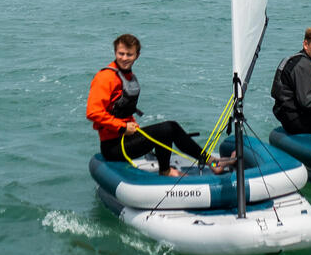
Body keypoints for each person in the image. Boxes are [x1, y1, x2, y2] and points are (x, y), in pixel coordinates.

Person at [87, 34, 235, 175]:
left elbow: (122, 110)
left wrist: (130, 125)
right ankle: (176, 169)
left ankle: (208, 162)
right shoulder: (105, 77)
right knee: (167, 129)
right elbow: (93, 113)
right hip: (113, 147)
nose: (124, 58)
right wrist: (122, 127)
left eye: (129, 54)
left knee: (170, 128)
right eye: (121, 53)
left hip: (127, 138)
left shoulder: (127, 76)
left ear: (137, 55)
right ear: (115, 52)